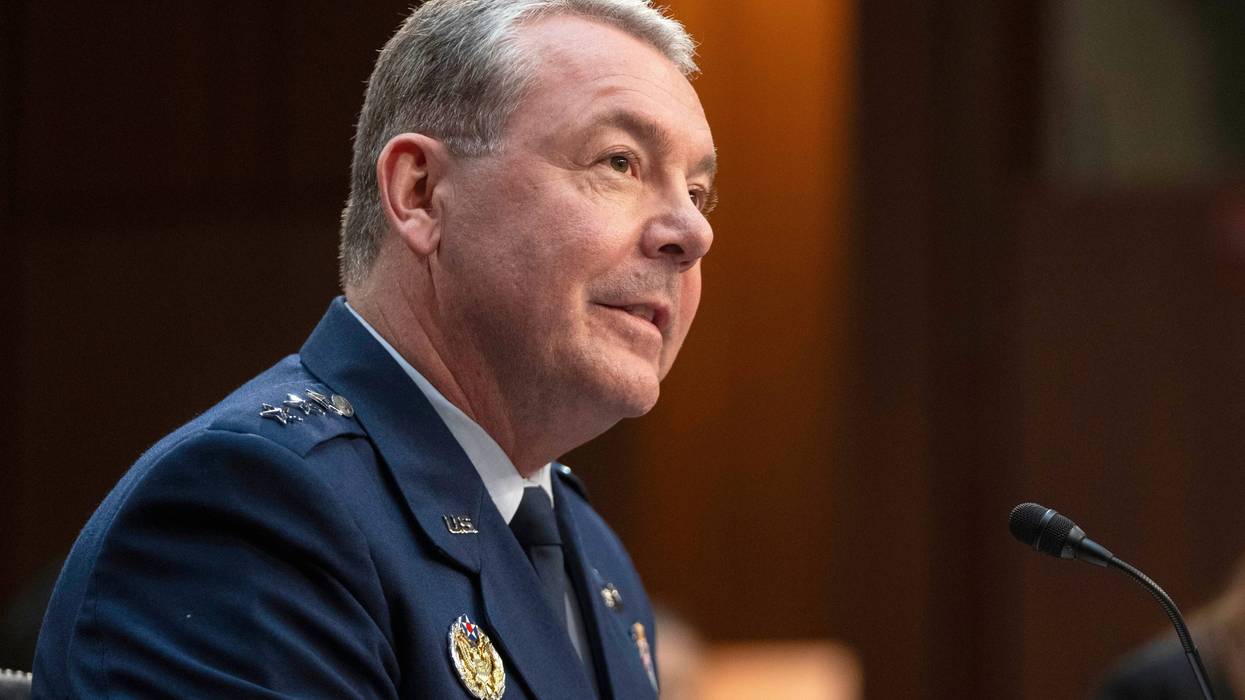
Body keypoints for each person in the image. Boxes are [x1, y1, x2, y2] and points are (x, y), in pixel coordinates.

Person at [32, 0, 717, 697]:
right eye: (620, 162)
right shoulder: (253, 509)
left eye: (696, 191)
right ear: (419, 193)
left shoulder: (594, 560)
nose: (691, 232)